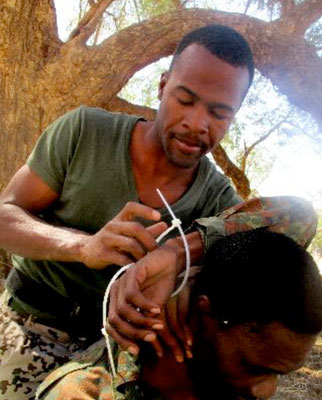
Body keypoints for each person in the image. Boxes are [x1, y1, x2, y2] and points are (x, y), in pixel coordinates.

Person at [0, 24, 317, 399]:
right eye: (185, 99)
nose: (197, 124)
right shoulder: (84, 132)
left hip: (115, 352)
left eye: (219, 112)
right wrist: (83, 247)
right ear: (163, 86)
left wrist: (177, 253)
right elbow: (6, 217)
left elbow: (296, 217)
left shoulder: (218, 201)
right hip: (30, 324)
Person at [35, 229, 322, 400]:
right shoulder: (84, 392)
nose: (267, 391)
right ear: (203, 315)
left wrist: (180, 254)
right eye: (253, 367)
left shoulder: (231, 381)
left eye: (280, 374)